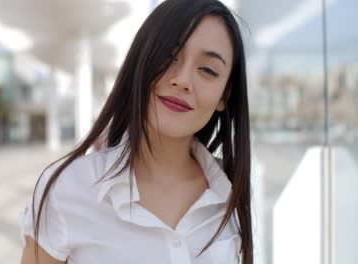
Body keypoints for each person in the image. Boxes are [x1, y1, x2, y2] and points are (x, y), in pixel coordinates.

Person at [19, 0, 253, 263]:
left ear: (224, 95)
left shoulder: (234, 193)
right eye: (168, 56)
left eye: (208, 70)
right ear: (140, 61)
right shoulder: (67, 189)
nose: (183, 80)